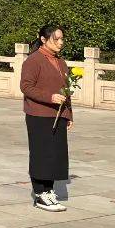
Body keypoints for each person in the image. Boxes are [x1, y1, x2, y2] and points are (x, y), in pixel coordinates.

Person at [19, 24, 74, 212]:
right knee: (41, 153)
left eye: (62, 39)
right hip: (39, 114)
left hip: (58, 116)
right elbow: (26, 86)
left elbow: (67, 90)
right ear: (43, 39)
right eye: (56, 39)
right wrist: (49, 97)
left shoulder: (61, 62)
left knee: (55, 154)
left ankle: (49, 191)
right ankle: (40, 193)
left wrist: (69, 113)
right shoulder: (33, 61)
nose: (60, 42)